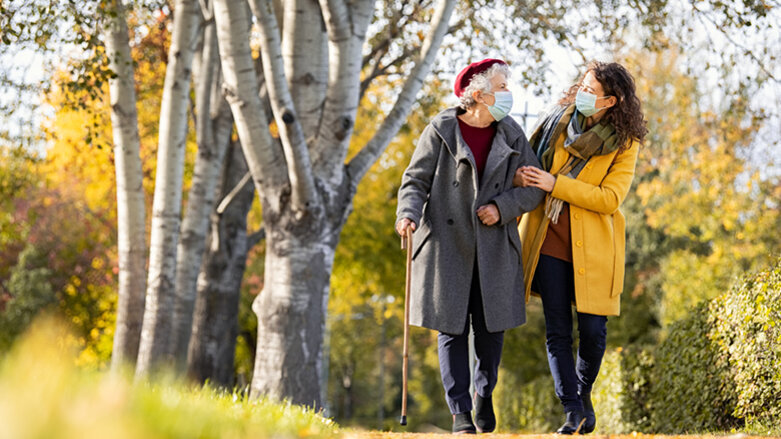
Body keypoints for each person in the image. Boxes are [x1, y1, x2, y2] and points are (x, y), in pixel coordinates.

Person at [395, 58, 544, 434]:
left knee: (492, 330)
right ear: (477, 95)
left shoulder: (511, 132)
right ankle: (460, 411)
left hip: (494, 245)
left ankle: (484, 393)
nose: (508, 94)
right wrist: (407, 215)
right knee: (452, 329)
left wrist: (502, 207)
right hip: (449, 245)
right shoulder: (440, 129)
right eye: (502, 87)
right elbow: (415, 181)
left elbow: (535, 189)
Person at [514, 61, 648, 434]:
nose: (583, 94)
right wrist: (523, 176)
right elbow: (528, 162)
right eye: (583, 85)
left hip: (594, 248)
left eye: (593, 91)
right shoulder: (557, 123)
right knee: (557, 329)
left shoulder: (625, 143)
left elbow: (609, 198)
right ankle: (572, 409)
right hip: (548, 239)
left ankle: (583, 393)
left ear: (612, 101)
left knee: (592, 331)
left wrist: (554, 183)